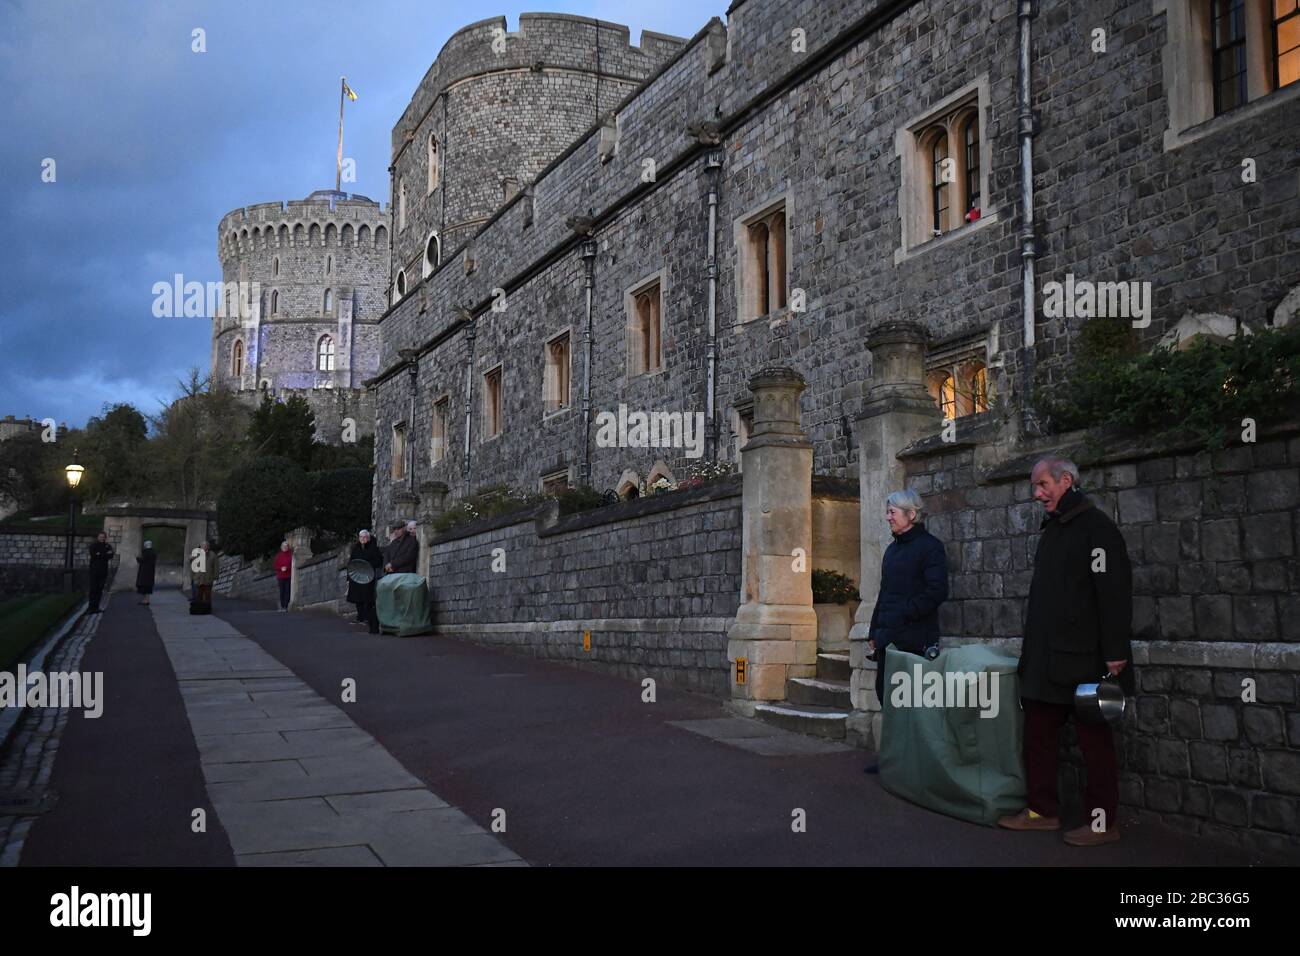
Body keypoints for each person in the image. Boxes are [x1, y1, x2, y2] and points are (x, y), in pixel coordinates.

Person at [998, 456, 1134, 847]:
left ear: (1067, 480)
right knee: (1038, 735)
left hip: (1086, 660)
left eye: (1043, 485)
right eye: (1035, 487)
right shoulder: (1055, 529)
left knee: (1096, 744)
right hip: (1046, 659)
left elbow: (1113, 593)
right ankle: (1042, 812)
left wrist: (1115, 652)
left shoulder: (1098, 530)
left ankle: (1102, 823)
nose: (1037, 494)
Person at [863, 489, 949, 773]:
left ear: (911, 515)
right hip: (888, 638)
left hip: (915, 639)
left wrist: (905, 614)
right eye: (887, 512)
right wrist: (875, 632)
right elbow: (884, 594)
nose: (887, 517)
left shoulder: (930, 547)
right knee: (886, 695)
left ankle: (916, 765)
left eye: (892, 512)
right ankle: (894, 759)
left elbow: (936, 591)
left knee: (912, 703)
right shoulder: (892, 550)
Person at [347, 529, 383, 633]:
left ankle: (367, 618)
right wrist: (348, 578)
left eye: (365, 537)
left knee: (367, 598)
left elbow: (378, 561)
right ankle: (360, 617)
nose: (363, 539)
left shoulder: (373, 548)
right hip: (356, 577)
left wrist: (368, 565)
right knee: (357, 598)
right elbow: (351, 563)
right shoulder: (355, 549)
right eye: (361, 537)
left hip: (368, 576)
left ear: (368, 538)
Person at [87, 531, 114, 613]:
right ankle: (90, 608)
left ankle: (96, 608)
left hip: (103, 571)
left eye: (103, 537)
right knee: (93, 589)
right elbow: (94, 555)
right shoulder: (93, 545)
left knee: (99, 590)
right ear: (98, 537)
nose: (102, 538)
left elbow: (111, 555)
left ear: (105, 538)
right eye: (100, 537)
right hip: (94, 570)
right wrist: (105, 554)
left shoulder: (108, 545)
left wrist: (100, 554)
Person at [192, 539, 219, 609]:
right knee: (198, 595)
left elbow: (216, 567)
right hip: (199, 578)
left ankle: (207, 608)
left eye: (206, 545)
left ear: (208, 547)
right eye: (203, 546)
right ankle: (199, 609)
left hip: (208, 578)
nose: (204, 547)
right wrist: (192, 577)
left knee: (208, 595)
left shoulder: (213, 555)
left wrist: (215, 576)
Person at [274, 540, 293, 611]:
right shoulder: (278, 555)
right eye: (284, 546)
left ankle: (286, 606)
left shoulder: (291, 555)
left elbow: (293, 565)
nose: (285, 547)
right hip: (281, 576)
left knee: (287, 591)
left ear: (288, 547)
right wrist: (281, 568)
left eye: (286, 546)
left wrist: (287, 568)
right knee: (282, 591)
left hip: (288, 575)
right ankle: (282, 605)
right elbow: (275, 566)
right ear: (281, 547)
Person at [135, 539, 156, 606]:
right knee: (148, 586)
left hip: (144, 572)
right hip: (150, 571)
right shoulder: (153, 553)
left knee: (144, 586)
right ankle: (146, 600)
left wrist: (137, 558)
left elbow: (142, 560)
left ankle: (145, 600)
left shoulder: (146, 552)